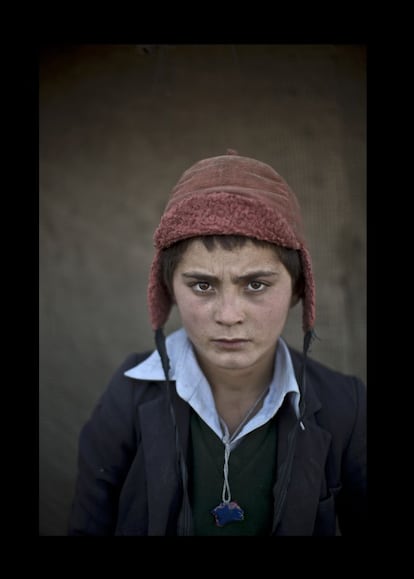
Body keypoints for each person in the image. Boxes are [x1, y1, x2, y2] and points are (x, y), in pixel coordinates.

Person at [68, 150, 366, 536]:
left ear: (297, 289)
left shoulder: (347, 407)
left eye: (255, 285)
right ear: (168, 290)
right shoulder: (129, 396)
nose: (228, 315)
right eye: (202, 285)